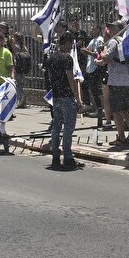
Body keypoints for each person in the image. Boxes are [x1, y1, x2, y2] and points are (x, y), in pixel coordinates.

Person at [44, 31, 80, 170]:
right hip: (66, 96)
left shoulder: (51, 58)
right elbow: (70, 78)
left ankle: (55, 155)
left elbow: (49, 77)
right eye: (70, 43)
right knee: (68, 127)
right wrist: (77, 96)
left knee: (56, 126)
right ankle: (68, 156)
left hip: (56, 96)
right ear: (64, 43)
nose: (71, 46)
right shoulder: (67, 58)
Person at [100, 19, 129, 147]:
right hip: (127, 80)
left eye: (112, 28)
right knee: (125, 109)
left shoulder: (112, 42)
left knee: (116, 111)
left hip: (116, 80)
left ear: (118, 29)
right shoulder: (126, 41)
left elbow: (106, 58)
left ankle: (121, 137)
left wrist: (101, 51)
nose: (109, 30)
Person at [12, 32, 32, 108]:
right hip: (22, 68)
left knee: (18, 85)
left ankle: (21, 101)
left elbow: (14, 53)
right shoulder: (24, 47)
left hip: (17, 67)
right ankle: (22, 101)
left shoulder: (16, 46)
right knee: (20, 85)